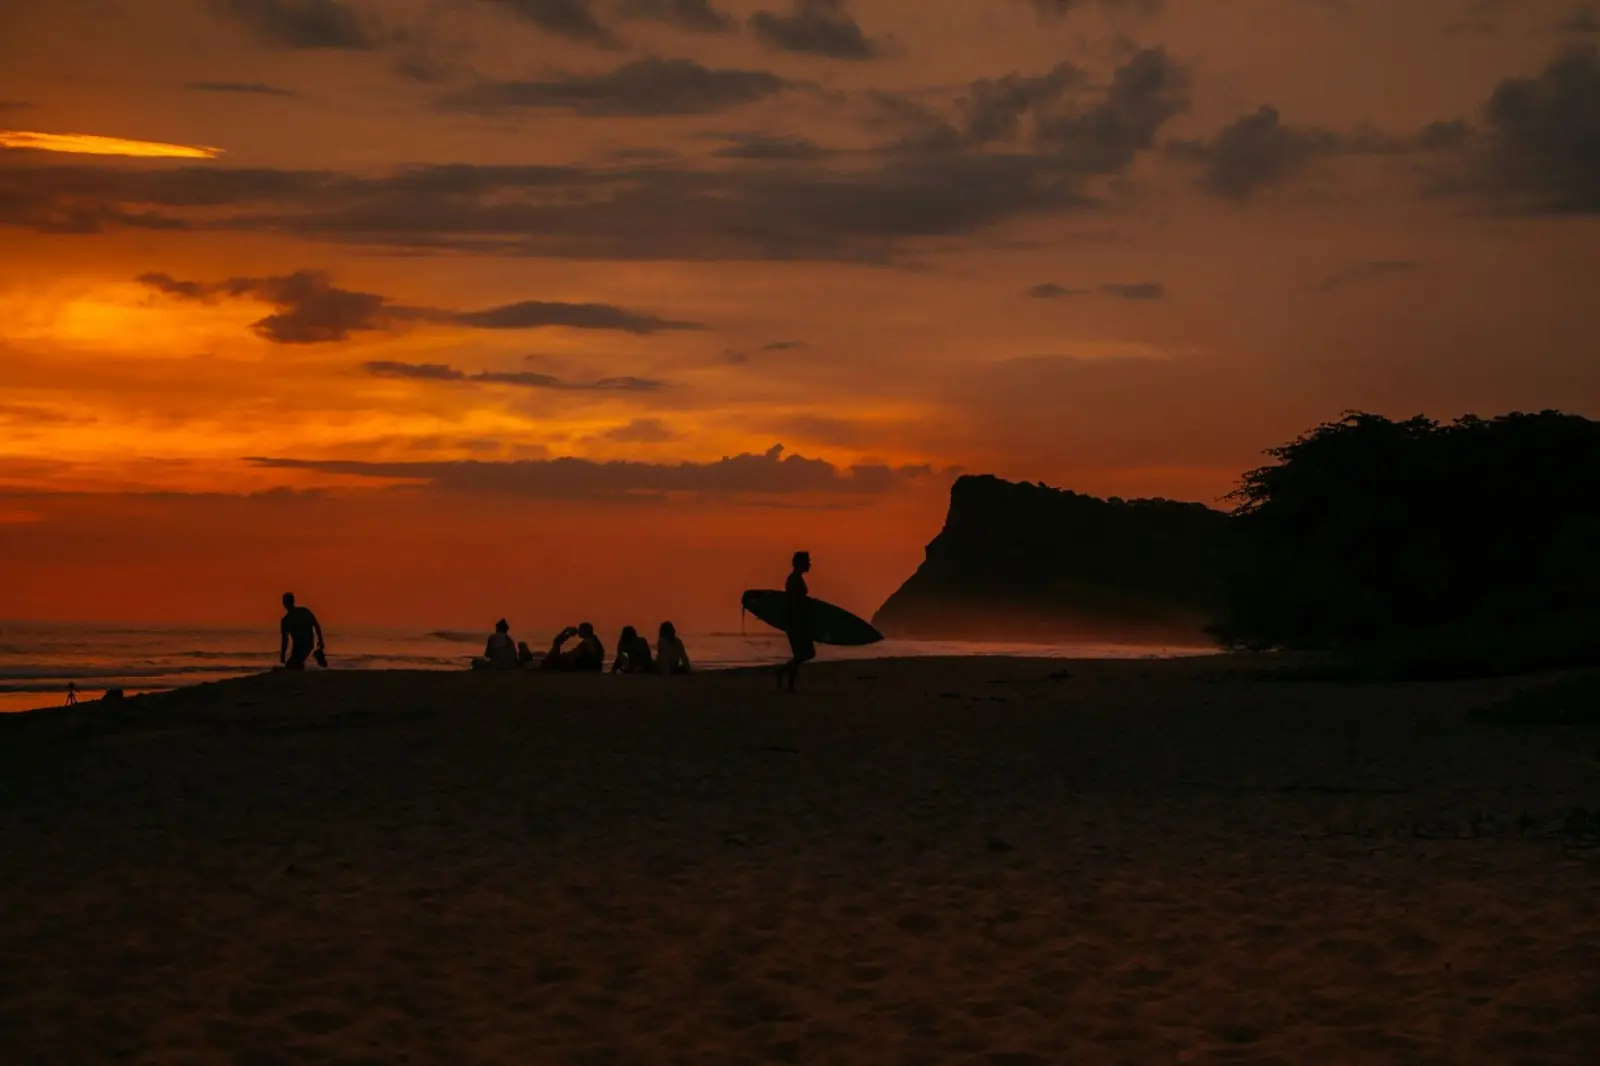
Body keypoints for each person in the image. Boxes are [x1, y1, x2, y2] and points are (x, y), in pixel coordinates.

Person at [776, 550, 815, 692]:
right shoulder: (793, 579)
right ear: (800, 563)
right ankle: (787, 681)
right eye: (807, 561)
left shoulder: (796, 578)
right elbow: (792, 602)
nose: (810, 564)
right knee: (803, 654)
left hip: (800, 621)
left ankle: (784, 674)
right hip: (796, 621)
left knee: (805, 654)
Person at [279, 592, 325, 671]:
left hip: (305, 644)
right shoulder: (302, 612)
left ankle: (317, 657)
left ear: (284, 603)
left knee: (292, 665)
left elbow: (285, 640)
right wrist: (320, 640)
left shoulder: (287, 619)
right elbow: (316, 624)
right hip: (301, 645)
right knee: (295, 664)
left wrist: (282, 654)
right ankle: (316, 656)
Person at [540, 622, 605, 673]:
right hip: (589, 666)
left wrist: (564, 655)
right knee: (556, 649)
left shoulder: (588, 642)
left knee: (555, 649)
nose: (578, 631)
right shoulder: (593, 641)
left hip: (584, 667)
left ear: (584, 631)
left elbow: (574, 654)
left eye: (580, 629)